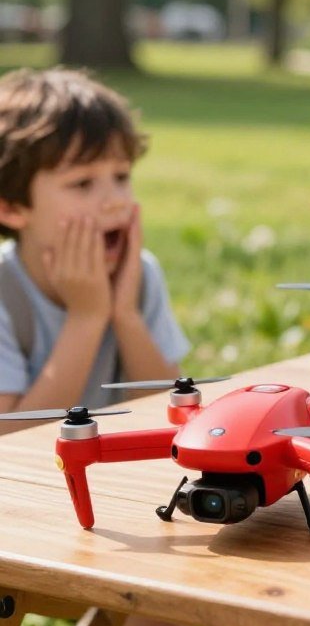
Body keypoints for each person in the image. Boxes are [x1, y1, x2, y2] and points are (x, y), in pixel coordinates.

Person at [0, 67, 190, 422]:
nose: (115, 201)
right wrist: (86, 317)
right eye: (82, 184)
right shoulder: (5, 294)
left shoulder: (140, 275)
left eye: (121, 176)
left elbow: (167, 413)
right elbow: (9, 438)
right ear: (11, 207)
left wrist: (125, 314)